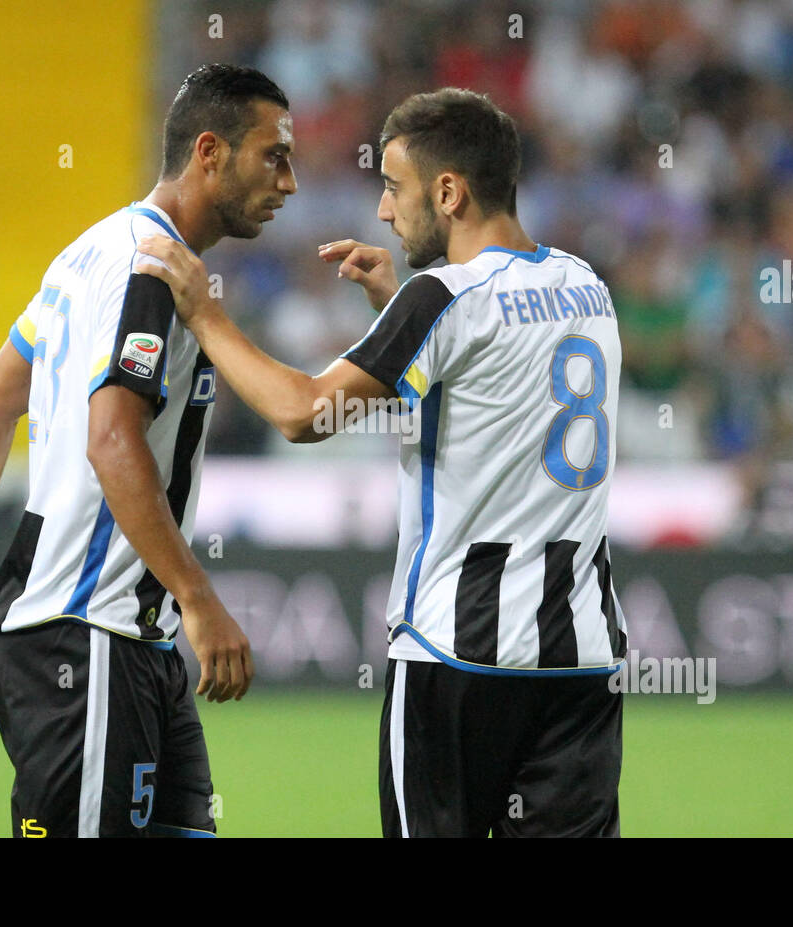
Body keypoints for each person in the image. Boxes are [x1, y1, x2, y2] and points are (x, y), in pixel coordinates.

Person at [135, 88, 628, 838]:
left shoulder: (443, 297)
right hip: (580, 659)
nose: (384, 213)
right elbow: (490, 395)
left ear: (449, 192)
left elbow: (306, 412)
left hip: (454, 654)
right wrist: (393, 307)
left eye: (394, 188)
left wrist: (205, 311)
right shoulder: (585, 286)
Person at [0, 64, 297, 838]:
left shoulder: (89, 252)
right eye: (274, 156)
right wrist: (198, 596)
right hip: (86, 635)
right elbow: (111, 440)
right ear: (209, 152)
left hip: (124, 636)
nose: (289, 181)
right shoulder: (149, 268)